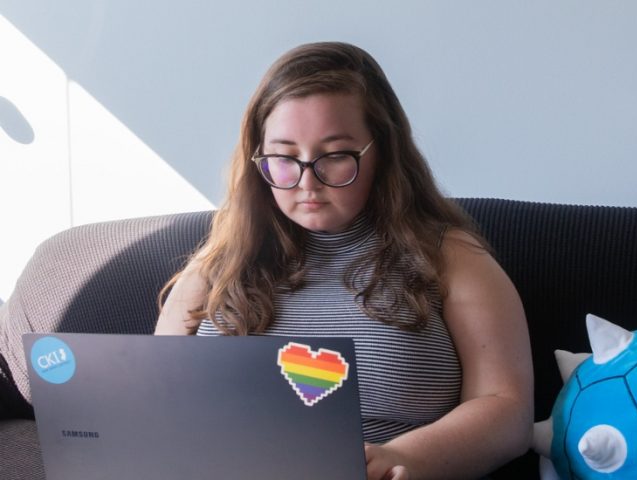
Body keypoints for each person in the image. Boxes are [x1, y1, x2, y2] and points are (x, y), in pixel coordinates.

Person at [155, 41, 533, 479]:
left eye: (334, 157)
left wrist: (407, 457)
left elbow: (506, 410)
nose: (306, 182)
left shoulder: (451, 258)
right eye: (283, 157)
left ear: (382, 153)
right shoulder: (215, 265)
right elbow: (161, 399)